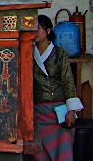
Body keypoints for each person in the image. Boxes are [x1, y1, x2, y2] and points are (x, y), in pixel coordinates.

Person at [32, 14, 84, 161]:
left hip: (58, 111)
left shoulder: (60, 54)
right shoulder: (28, 53)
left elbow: (68, 82)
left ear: (48, 31)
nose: (35, 32)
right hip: (37, 111)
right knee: (38, 151)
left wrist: (71, 111)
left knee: (62, 151)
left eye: (38, 28)